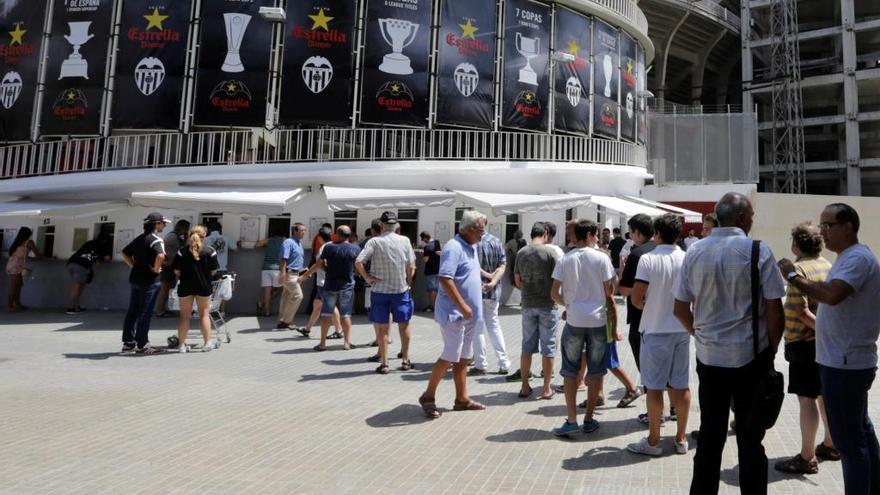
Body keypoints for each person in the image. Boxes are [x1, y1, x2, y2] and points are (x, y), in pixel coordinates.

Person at [673, 192, 785, 495]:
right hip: (752, 358)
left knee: (711, 433)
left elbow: (680, 308)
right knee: (751, 438)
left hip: (710, 359)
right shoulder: (758, 251)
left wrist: (700, 335)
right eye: (750, 216)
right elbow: (775, 310)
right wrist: (771, 350)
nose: (751, 221)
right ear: (740, 218)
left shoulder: (694, 252)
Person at [778, 203, 880, 494]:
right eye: (821, 226)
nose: (823, 232)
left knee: (850, 443)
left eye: (828, 226)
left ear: (848, 227)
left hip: (845, 363)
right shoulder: (847, 258)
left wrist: (792, 276)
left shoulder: (857, 259)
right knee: (860, 432)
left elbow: (832, 295)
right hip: (843, 361)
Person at [773, 221, 838, 475]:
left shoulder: (797, 270)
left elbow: (801, 311)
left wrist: (821, 329)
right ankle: (831, 445)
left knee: (807, 399)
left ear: (795, 245)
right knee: (823, 396)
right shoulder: (827, 265)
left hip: (803, 344)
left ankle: (807, 456)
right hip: (822, 346)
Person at [627, 213, 691, 456]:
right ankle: (681, 438)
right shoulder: (686, 258)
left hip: (654, 329)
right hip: (681, 328)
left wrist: (649, 305)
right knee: (681, 385)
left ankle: (654, 440)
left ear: (657, 233)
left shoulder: (647, 259)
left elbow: (635, 297)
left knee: (654, 387)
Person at [418, 211, 488, 418]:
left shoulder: (472, 247)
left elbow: (466, 275)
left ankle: (461, 399)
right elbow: (445, 279)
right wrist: (463, 305)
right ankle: (428, 396)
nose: (483, 234)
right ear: (468, 229)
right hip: (454, 313)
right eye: (481, 230)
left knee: (464, 357)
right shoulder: (454, 247)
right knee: (450, 354)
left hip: (469, 315)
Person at [550, 219, 615, 437]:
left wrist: (566, 304)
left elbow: (553, 293)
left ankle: (571, 419)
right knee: (596, 371)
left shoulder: (565, 259)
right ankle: (588, 418)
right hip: (597, 320)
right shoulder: (601, 258)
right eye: (595, 234)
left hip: (575, 320)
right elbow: (609, 293)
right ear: (589, 235)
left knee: (570, 370)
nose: (597, 237)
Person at [355, 211, 417, 374]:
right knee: (404, 326)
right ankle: (405, 360)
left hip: (379, 290)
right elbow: (411, 265)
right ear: (396, 225)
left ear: (381, 225)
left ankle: (384, 363)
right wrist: (409, 284)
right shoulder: (405, 241)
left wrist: (367, 278)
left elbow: (359, 261)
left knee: (382, 329)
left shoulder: (374, 241)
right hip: (400, 290)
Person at [509, 222, 560, 399]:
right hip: (548, 303)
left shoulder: (521, 252)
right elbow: (558, 280)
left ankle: (524, 386)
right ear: (545, 233)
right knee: (549, 347)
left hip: (528, 303)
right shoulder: (550, 253)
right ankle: (546, 388)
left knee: (527, 346)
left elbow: (517, 280)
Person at [618, 213, 656, 412]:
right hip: (668, 319)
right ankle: (674, 409)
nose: (630, 236)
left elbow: (624, 289)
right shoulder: (671, 251)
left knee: (648, 371)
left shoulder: (637, 254)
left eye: (631, 232)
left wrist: (622, 271)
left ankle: (654, 415)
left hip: (641, 319)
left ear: (638, 232)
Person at [121, 212, 173, 355]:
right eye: (163, 223)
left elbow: (124, 253)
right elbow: (161, 255)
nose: (165, 225)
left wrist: (133, 266)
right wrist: (156, 270)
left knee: (133, 311)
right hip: (149, 281)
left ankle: (128, 343)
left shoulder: (139, 238)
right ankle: (142, 344)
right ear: (156, 224)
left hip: (136, 278)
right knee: (145, 312)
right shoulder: (156, 239)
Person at [469, 224, 511, 376]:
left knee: (478, 328)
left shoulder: (472, 242)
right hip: (494, 291)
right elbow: (502, 265)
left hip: (476, 290)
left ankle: (480, 364)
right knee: (494, 326)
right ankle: (504, 362)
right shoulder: (496, 241)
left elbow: (471, 265)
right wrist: (493, 281)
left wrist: (487, 276)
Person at [312, 226, 362, 351]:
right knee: (346, 314)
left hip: (330, 285)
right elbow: (358, 264)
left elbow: (320, 263)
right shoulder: (355, 248)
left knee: (326, 314)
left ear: (337, 235)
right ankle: (346, 343)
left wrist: (327, 270)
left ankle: (322, 344)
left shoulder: (329, 247)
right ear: (349, 235)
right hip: (347, 286)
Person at [171, 225, 219, 352]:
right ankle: (207, 343)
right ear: (204, 236)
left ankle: (181, 346)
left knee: (184, 316)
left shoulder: (182, 251)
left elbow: (176, 270)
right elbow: (214, 271)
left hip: (185, 286)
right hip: (204, 286)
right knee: (204, 315)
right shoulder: (210, 251)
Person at [301, 227, 342, 346]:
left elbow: (319, 264)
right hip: (327, 281)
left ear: (319, 238)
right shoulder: (335, 246)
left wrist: (305, 275)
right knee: (317, 304)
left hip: (324, 282)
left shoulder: (323, 248)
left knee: (330, 305)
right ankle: (307, 329)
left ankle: (339, 330)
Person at [66, 233, 113, 314]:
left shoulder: (89, 243)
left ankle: (76, 307)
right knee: (77, 287)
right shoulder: (103, 247)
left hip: (71, 263)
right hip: (81, 266)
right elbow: (103, 260)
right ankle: (71, 308)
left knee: (78, 286)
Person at [277, 223, 308, 334]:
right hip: (289, 274)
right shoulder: (288, 242)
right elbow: (283, 259)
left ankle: (282, 321)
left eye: (305, 230)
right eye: (302, 230)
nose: (304, 232)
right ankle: (286, 321)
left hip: (295, 274)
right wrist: (282, 273)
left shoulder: (298, 243)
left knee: (287, 297)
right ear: (295, 231)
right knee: (298, 296)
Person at [155, 219, 189, 317]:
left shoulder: (176, 236)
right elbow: (181, 248)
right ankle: (160, 311)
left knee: (167, 289)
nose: (186, 231)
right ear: (182, 228)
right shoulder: (172, 236)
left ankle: (164, 309)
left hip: (170, 266)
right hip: (167, 267)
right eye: (186, 229)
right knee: (164, 289)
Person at [5, 227, 42, 311]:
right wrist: (44, 257)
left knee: (19, 284)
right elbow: (37, 254)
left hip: (13, 264)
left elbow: (19, 254)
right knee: (14, 286)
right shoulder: (29, 242)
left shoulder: (17, 242)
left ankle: (17, 304)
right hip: (16, 266)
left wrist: (28, 257)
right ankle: (10, 306)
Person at [255, 223, 287, 316]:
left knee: (267, 291)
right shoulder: (285, 240)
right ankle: (262, 302)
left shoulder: (268, 240)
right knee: (281, 288)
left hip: (265, 268)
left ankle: (267, 311)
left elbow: (257, 245)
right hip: (277, 268)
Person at [421, 231, 441, 312]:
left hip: (430, 271)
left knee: (431, 289)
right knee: (437, 289)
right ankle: (437, 306)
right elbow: (439, 253)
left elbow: (425, 260)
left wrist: (422, 255)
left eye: (422, 239)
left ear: (425, 238)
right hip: (438, 269)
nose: (422, 240)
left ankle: (432, 306)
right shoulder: (437, 243)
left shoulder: (427, 247)